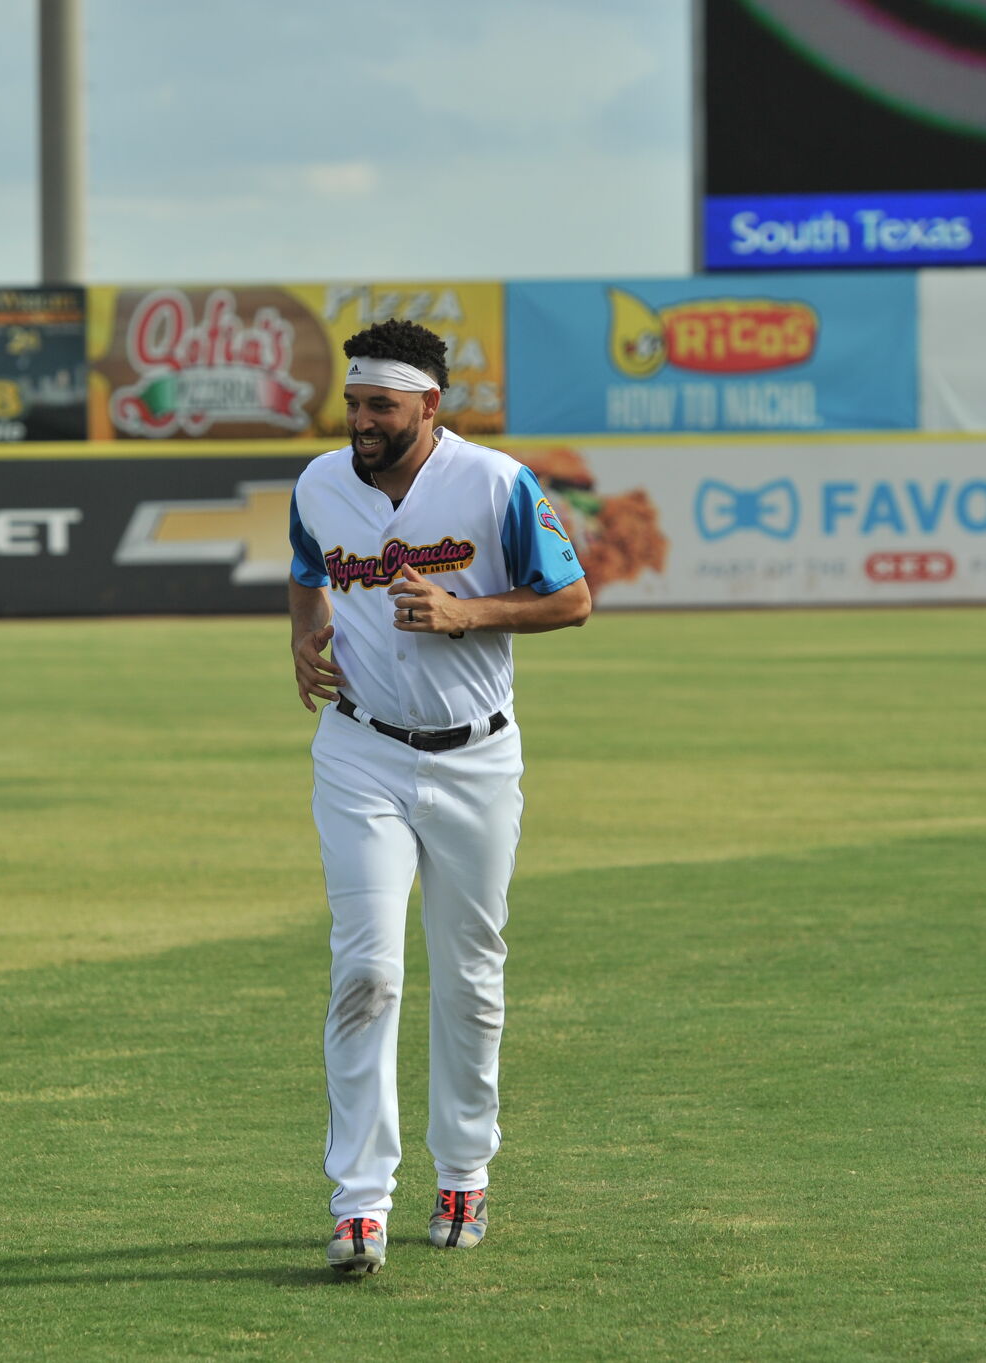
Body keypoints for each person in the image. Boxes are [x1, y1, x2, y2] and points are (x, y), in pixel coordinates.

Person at [286, 320, 591, 1277]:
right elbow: (308, 571)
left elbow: (573, 598)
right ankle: (359, 1202)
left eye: (382, 404)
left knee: (470, 975)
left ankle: (463, 1167)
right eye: (353, 401)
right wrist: (305, 636)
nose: (362, 420)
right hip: (360, 752)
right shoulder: (319, 484)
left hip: (475, 761)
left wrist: (471, 612)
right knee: (366, 973)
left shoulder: (496, 482)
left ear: (429, 404)